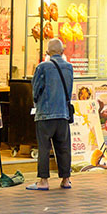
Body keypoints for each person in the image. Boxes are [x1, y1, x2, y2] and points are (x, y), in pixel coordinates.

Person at [27, 38, 74, 191]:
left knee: (44, 148)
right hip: (63, 114)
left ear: (47, 52)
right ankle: (66, 179)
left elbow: (36, 90)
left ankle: (43, 181)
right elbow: (69, 89)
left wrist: (37, 103)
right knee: (64, 147)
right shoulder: (69, 67)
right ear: (62, 51)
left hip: (45, 115)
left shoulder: (42, 67)